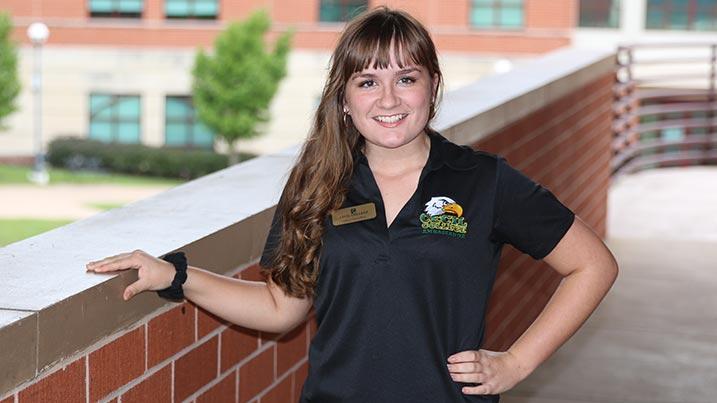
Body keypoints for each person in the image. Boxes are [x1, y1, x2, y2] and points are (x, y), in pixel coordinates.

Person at [87, 7, 618, 402]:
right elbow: (280, 309)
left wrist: (517, 363)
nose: (388, 100)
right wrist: (176, 276)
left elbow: (592, 265)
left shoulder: (483, 180)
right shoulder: (317, 183)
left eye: (406, 79)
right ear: (344, 98)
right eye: (368, 82)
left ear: (432, 88)